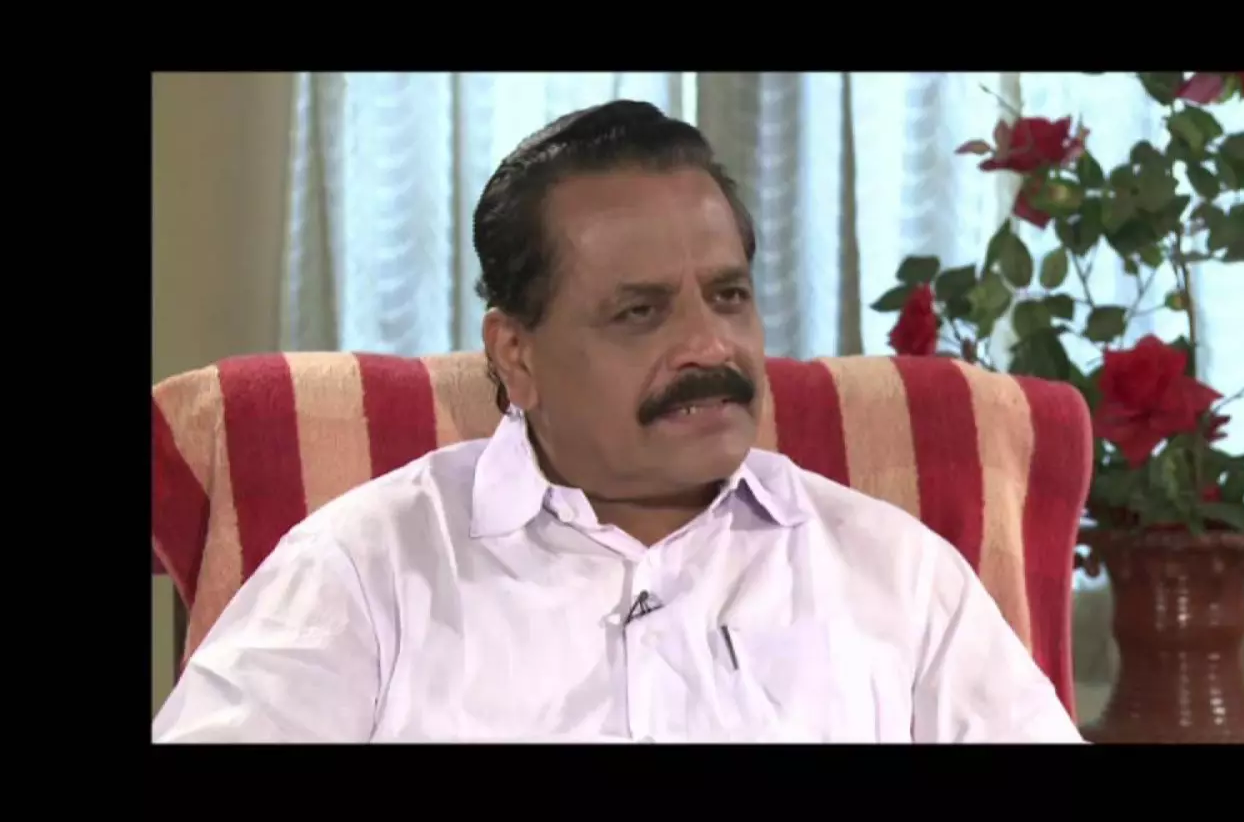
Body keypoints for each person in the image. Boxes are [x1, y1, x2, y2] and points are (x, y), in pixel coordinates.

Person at [152, 100, 1084, 744]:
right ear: (517, 354)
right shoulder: (369, 570)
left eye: (729, 295)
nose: (709, 345)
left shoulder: (896, 574)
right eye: (640, 312)